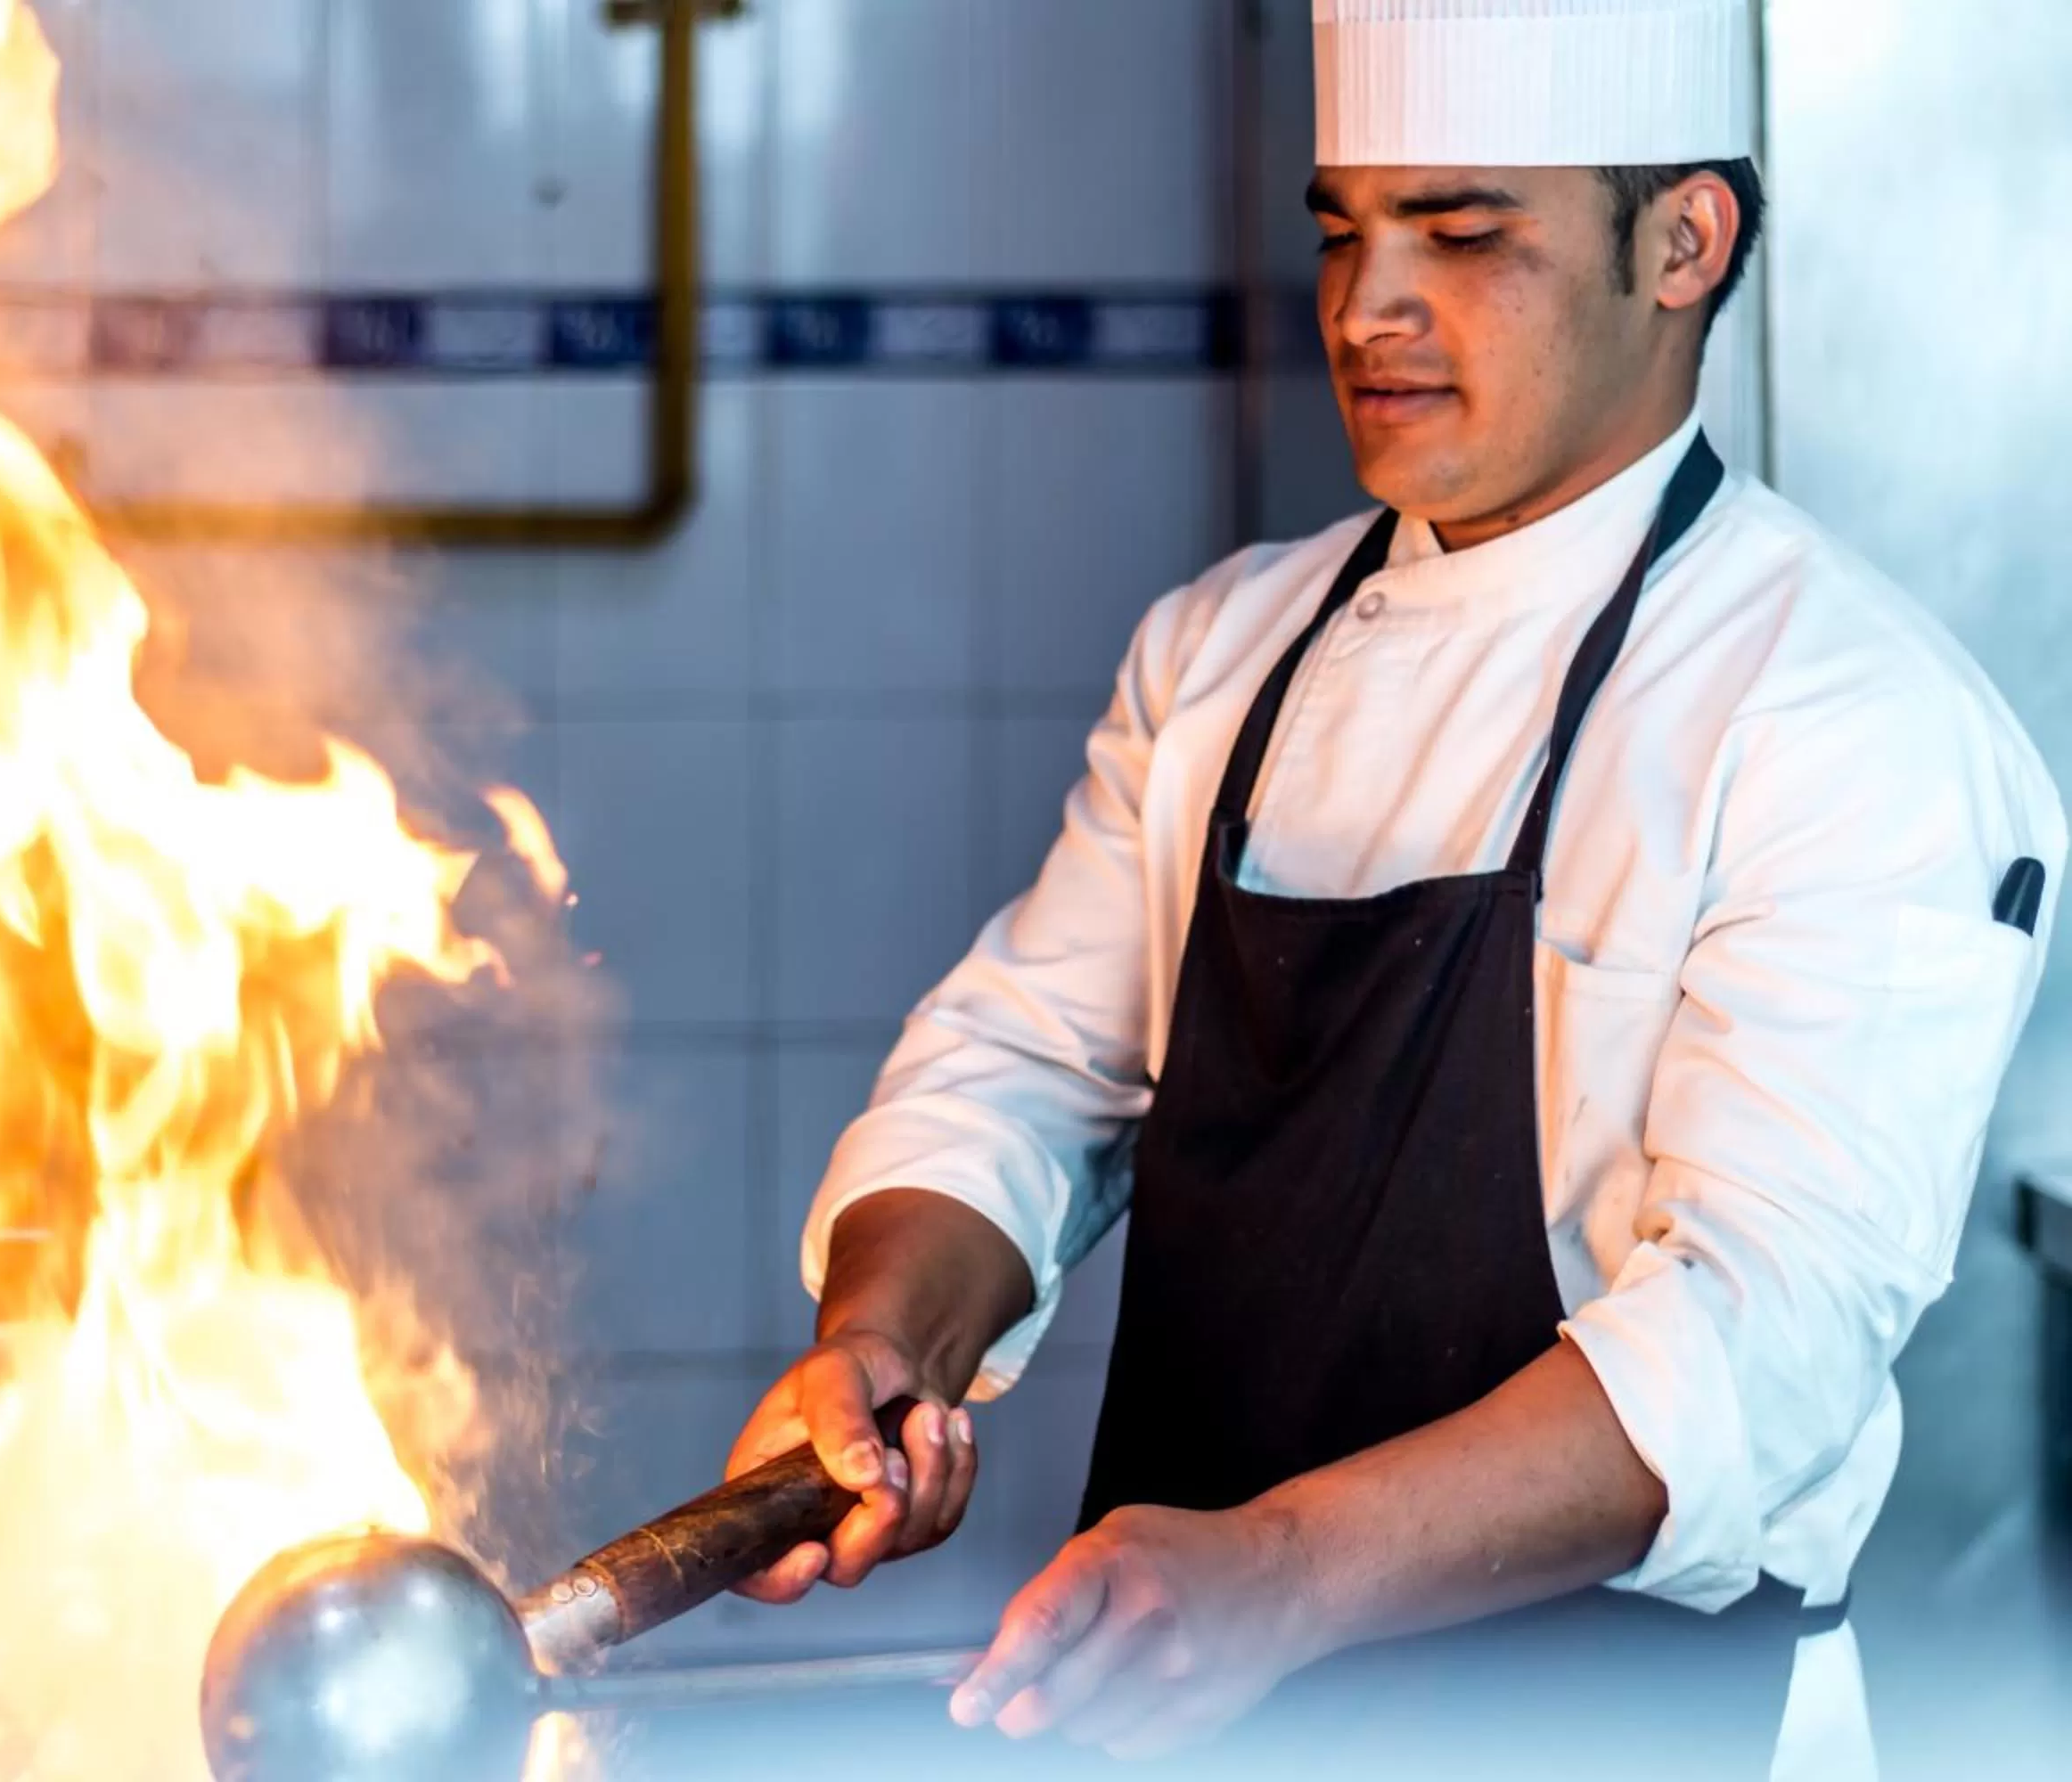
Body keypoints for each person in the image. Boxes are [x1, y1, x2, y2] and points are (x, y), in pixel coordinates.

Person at [722, 2, 2065, 1777]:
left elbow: (1758, 1338)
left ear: (1684, 241)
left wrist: (1278, 1574)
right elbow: (1026, 1067)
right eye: (1344, 230)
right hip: (1200, 1716)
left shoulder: (1845, 716)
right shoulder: (1224, 651)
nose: (1365, 310)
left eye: (1464, 232)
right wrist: (885, 1338)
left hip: (1644, 1742)